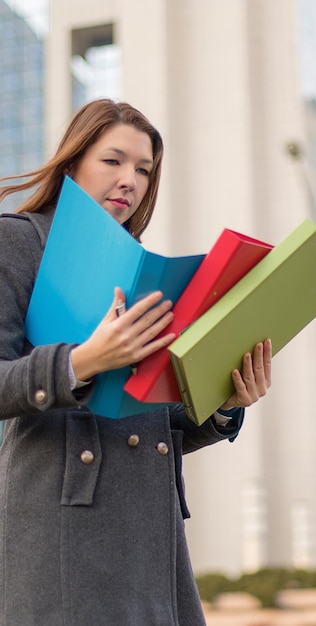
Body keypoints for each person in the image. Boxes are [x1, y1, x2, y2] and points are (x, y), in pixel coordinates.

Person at [0, 98, 272, 626]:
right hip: (63, 529)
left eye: (144, 169)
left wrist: (222, 403)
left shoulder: (146, 271)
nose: (130, 179)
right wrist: (80, 363)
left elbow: (149, 419)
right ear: (73, 162)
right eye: (113, 160)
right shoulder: (17, 241)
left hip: (154, 533)